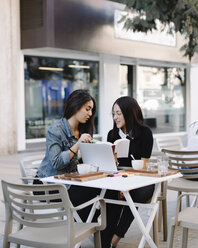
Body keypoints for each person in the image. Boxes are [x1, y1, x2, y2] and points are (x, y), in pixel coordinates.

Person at [35, 89, 100, 220]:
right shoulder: (56, 129)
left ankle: (87, 231)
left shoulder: (83, 130)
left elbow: (78, 163)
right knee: (91, 194)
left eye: (91, 110)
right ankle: (81, 232)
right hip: (48, 184)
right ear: (76, 106)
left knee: (104, 191)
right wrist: (77, 145)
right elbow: (56, 163)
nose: (90, 113)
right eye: (87, 109)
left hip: (70, 181)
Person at [101, 96, 154, 248]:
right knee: (111, 193)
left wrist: (128, 183)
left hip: (142, 180)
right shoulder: (112, 135)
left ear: (129, 112)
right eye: (113, 114)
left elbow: (144, 164)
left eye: (118, 113)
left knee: (133, 194)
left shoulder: (145, 133)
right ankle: (105, 241)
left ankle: (115, 239)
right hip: (119, 178)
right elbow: (110, 164)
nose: (115, 117)